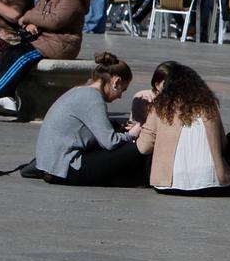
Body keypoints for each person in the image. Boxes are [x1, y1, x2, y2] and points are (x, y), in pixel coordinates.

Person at [33, 52, 147, 186]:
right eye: (123, 90)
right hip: (66, 169)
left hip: (50, 165)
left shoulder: (80, 90)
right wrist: (131, 134)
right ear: (116, 82)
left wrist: (119, 129)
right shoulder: (93, 99)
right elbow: (110, 142)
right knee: (137, 149)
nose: (120, 96)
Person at [134, 62, 230, 195]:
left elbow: (144, 147)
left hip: (168, 185)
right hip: (214, 184)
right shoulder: (208, 104)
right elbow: (222, 144)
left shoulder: (160, 106)